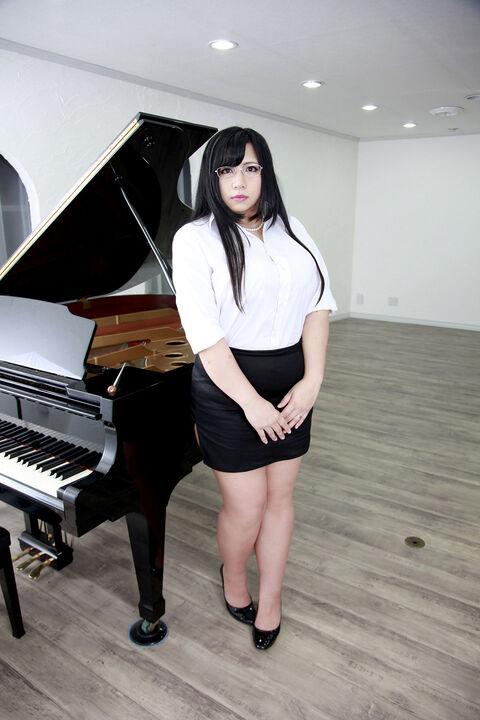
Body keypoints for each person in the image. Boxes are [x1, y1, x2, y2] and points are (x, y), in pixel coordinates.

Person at [172, 126, 336, 650]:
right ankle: (234, 580)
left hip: (291, 384)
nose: (239, 182)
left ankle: (272, 600)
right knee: (247, 507)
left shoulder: (294, 230)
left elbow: (318, 307)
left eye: (249, 168)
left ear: (265, 173)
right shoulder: (195, 238)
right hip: (228, 389)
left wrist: (312, 381)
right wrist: (251, 404)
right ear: (212, 178)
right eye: (226, 171)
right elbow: (206, 338)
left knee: (280, 501)